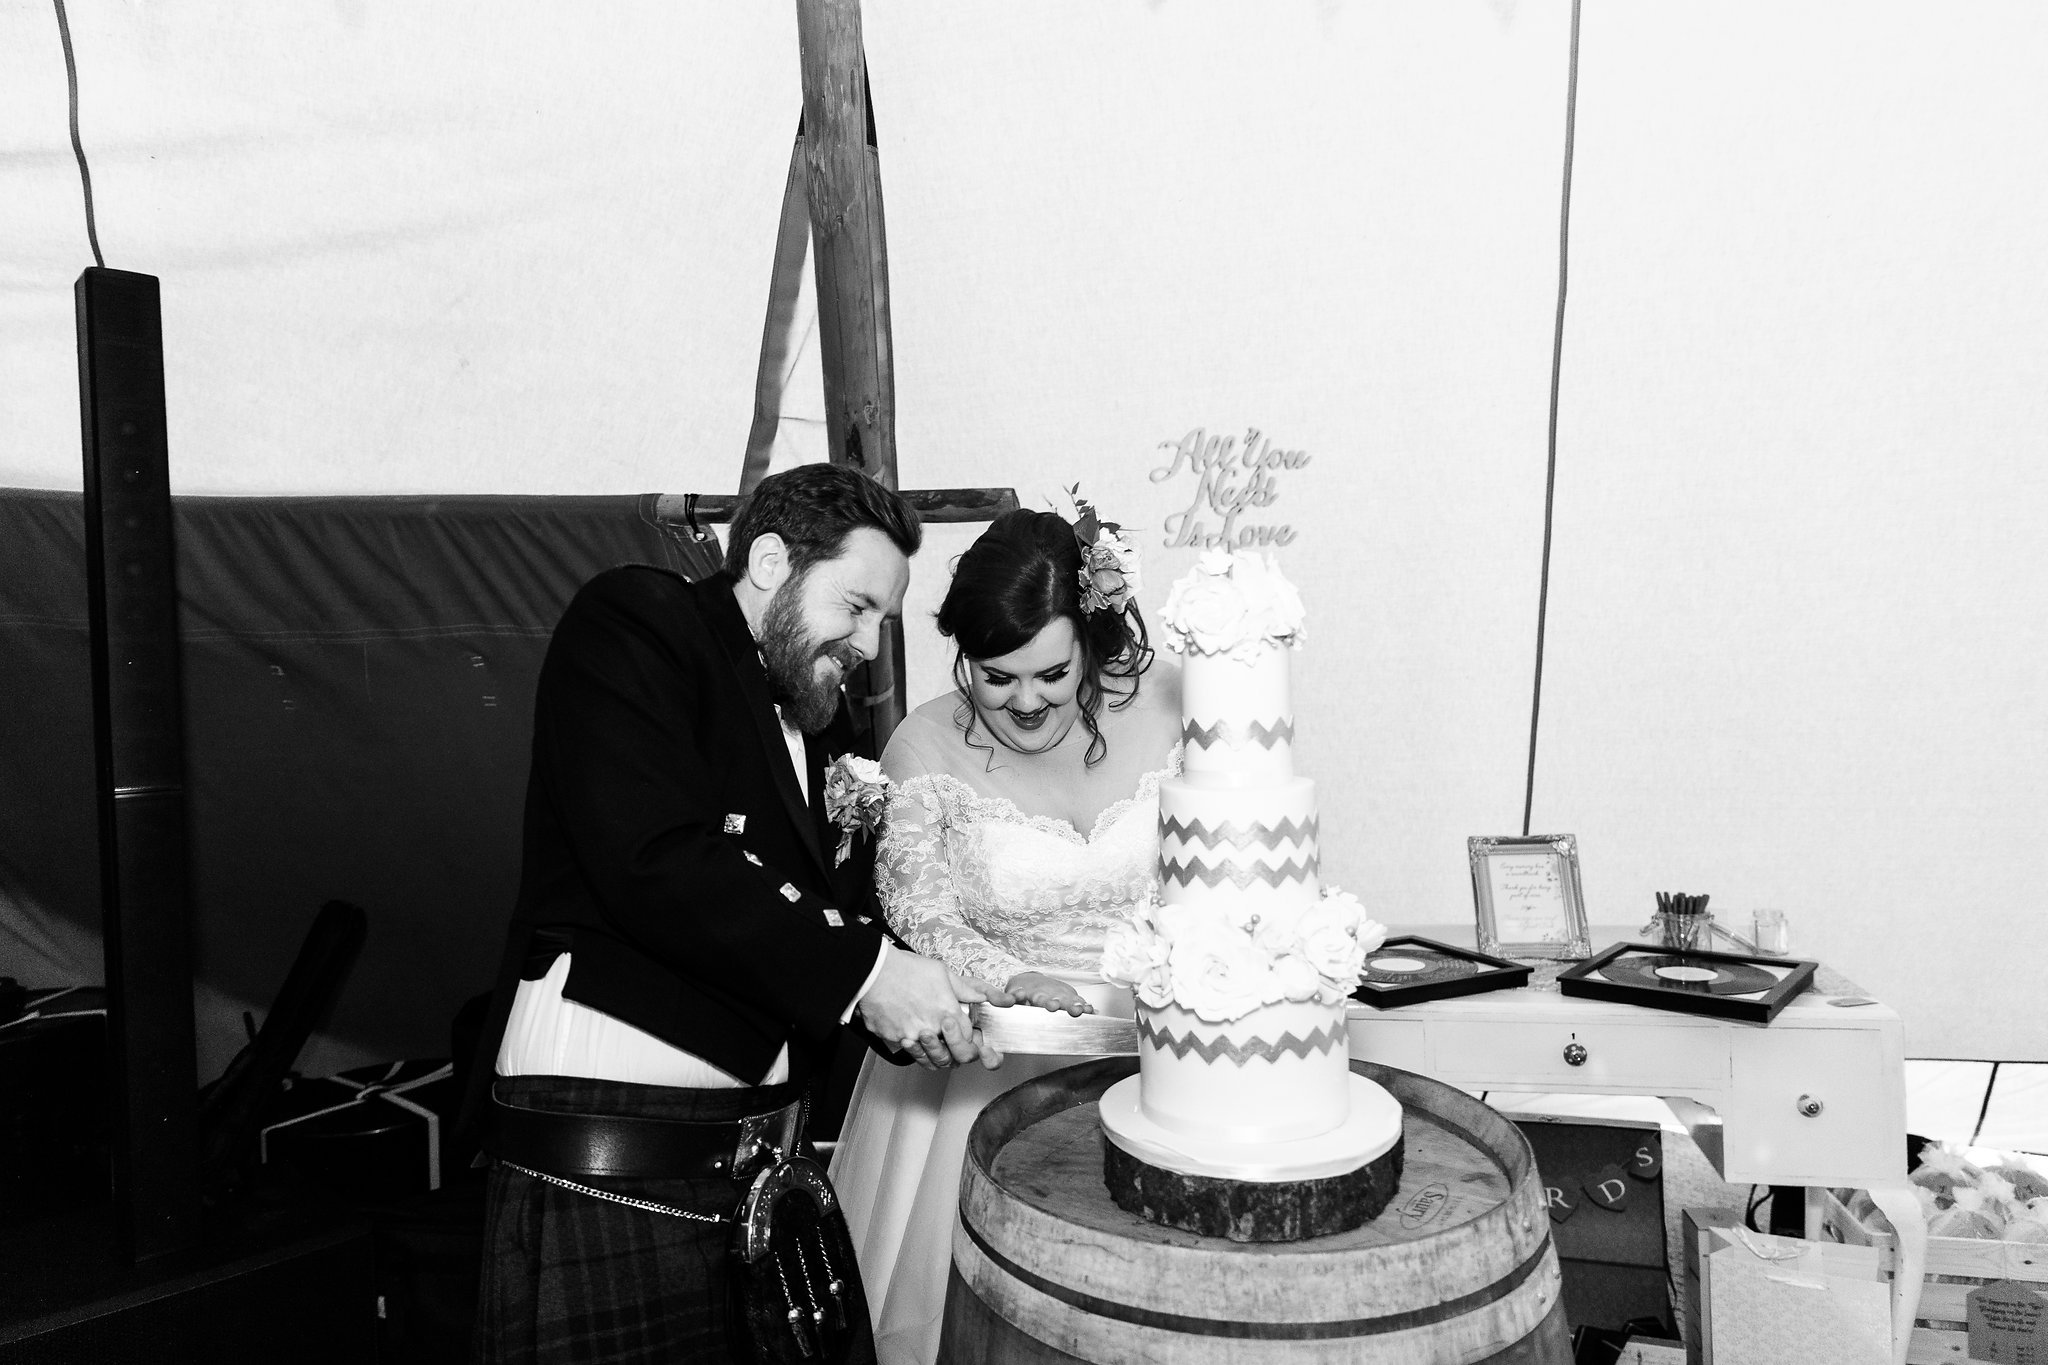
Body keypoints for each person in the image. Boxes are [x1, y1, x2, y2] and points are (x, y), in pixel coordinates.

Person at [468, 463, 1011, 1365]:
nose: (867, 644)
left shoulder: (819, 714)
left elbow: (829, 920)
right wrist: (871, 975)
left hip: (760, 1174)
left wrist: (937, 999)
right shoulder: (639, 621)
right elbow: (654, 856)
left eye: (880, 620)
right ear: (768, 561)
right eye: (857, 606)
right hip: (619, 1145)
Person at [827, 505, 1180, 1365]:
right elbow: (920, 911)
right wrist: (1009, 979)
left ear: (1091, 639)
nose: (1025, 700)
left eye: (1052, 673)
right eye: (996, 677)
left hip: (1158, 1050)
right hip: (985, 1061)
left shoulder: (1173, 703)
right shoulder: (924, 743)